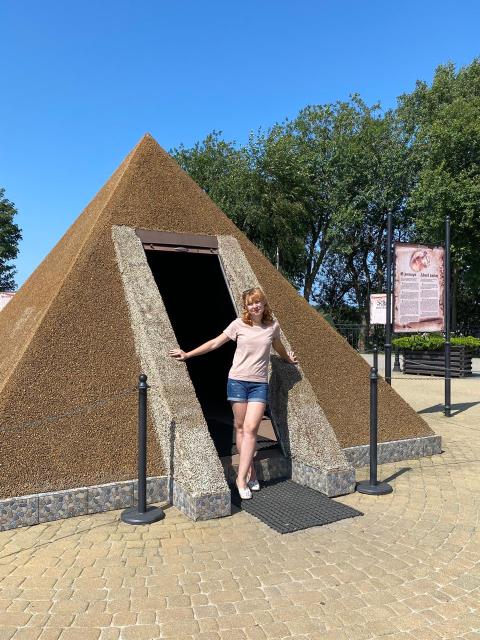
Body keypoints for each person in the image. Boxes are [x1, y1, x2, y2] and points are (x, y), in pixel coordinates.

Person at [169, 287, 298, 500]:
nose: (255, 306)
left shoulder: (272, 326)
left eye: (258, 302)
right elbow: (215, 343)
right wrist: (188, 354)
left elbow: (278, 346)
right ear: (246, 306)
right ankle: (251, 471)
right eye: (250, 303)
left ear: (264, 304)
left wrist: (288, 359)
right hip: (237, 382)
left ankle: (240, 479)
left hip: (259, 385)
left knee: (251, 428)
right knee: (239, 427)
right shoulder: (238, 324)